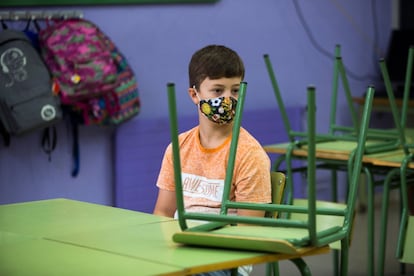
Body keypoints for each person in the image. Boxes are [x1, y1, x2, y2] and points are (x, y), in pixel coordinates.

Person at [153, 45, 272, 276]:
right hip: (180, 248)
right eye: (217, 91)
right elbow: (163, 213)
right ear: (194, 95)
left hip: (225, 258)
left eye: (235, 91)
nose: (228, 99)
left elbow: (248, 233)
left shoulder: (249, 154)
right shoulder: (178, 148)